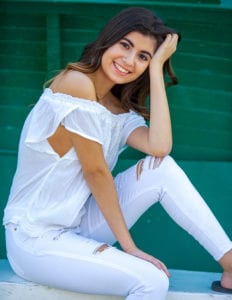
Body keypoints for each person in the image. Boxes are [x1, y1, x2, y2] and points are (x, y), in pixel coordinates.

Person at [3, 6, 232, 300]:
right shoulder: (75, 84)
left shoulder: (117, 109)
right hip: (35, 239)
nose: (128, 61)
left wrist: (156, 70)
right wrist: (130, 247)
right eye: (125, 45)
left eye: (143, 56)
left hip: (78, 226)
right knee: (152, 282)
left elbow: (160, 147)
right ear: (108, 40)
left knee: (161, 168)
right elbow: (95, 172)